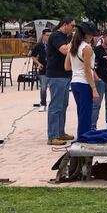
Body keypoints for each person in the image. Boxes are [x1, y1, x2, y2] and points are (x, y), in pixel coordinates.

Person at [45, 17, 75, 146]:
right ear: (65, 24)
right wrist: (74, 40)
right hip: (57, 75)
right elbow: (65, 50)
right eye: (72, 26)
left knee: (63, 105)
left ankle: (60, 132)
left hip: (65, 74)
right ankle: (53, 136)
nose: (73, 28)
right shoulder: (56, 36)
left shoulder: (64, 37)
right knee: (56, 106)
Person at [68, 21, 99, 139]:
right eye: (91, 34)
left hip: (75, 81)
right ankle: (83, 137)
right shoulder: (87, 48)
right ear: (86, 34)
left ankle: (81, 136)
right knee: (86, 113)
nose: (92, 37)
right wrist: (94, 89)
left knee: (81, 112)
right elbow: (87, 71)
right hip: (84, 83)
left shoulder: (73, 46)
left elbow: (67, 66)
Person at [30, 29, 50, 110]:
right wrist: (38, 63)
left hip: (53, 69)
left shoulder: (53, 45)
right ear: (43, 35)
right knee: (43, 88)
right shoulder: (39, 45)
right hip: (43, 69)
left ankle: (54, 104)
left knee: (54, 88)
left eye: (50, 35)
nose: (49, 37)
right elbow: (33, 56)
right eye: (47, 35)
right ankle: (43, 104)